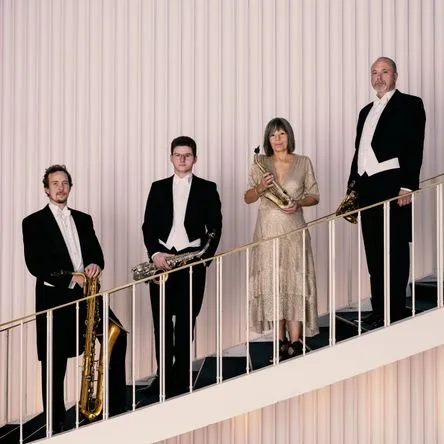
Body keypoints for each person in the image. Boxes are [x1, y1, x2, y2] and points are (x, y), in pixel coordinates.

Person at [22, 165, 127, 434]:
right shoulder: (32, 222)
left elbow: (96, 254)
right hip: (55, 298)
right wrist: (72, 278)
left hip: (87, 294)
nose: (60, 188)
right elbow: (35, 265)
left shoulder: (83, 218)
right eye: (55, 183)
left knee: (118, 336)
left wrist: (94, 265)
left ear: (70, 187)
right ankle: (55, 422)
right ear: (46, 189)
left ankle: (115, 406)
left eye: (64, 183)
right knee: (54, 360)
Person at [347, 57, 426, 327]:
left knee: (395, 249)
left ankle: (396, 309)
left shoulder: (410, 104)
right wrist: (352, 190)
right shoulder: (365, 111)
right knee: (374, 252)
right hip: (366, 187)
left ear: (395, 75)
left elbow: (415, 145)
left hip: (394, 186)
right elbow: (359, 152)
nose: (379, 77)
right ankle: (379, 309)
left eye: (384, 71)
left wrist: (408, 185)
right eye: (374, 72)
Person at [141, 136, 222, 397]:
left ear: (194, 159)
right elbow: (148, 225)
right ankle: (163, 377)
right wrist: (155, 254)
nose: (183, 159)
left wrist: (203, 260)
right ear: (171, 158)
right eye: (178, 155)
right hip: (162, 262)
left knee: (186, 322)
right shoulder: (158, 187)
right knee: (162, 322)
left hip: (192, 262)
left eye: (187, 155)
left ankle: (182, 376)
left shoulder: (207, 188)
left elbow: (216, 227)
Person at [244, 117, 320, 361]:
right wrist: (260, 188)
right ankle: (279, 342)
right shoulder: (260, 163)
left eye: (282, 134)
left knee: (294, 283)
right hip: (267, 233)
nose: (277, 139)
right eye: (273, 135)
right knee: (274, 284)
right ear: (268, 139)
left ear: (289, 136)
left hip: (294, 232)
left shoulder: (303, 162)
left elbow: (314, 195)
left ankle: (295, 343)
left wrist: (299, 202)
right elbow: (247, 197)